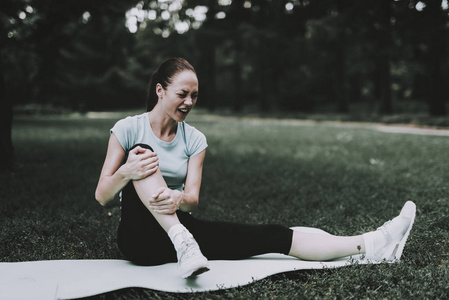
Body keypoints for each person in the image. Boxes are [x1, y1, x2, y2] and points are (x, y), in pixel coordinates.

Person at [95, 57, 416, 279]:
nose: (189, 102)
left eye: (194, 95)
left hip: (184, 230)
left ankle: (373, 243)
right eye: (183, 94)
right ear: (160, 90)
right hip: (138, 239)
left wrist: (176, 199)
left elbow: (192, 199)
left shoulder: (195, 139)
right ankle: (182, 240)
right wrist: (127, 171)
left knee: (274, 237)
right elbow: (102, 196)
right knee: (142, 154)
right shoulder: (128, 129)